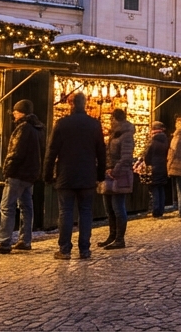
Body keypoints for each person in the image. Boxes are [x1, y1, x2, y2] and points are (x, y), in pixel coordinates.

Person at [43, 91, 107, 260]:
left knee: (65, 212)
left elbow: (51, 152)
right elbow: (101, 152)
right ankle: (84, 249)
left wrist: (48, 174)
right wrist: (100, 175)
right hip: (87, 176)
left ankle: (64, 249)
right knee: (86, 212)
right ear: (85, 104)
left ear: (71, 104)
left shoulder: (62, 124)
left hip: (66, 175)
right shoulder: (94, 124)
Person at [0, 100, 44, 254]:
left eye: (16, 111)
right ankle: (25, 239)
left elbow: (15, 153)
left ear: (21, 112)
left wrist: (7, 170)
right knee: (26, 207)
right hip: (30, 174)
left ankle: (4, 242)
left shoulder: (23, 128)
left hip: (18, 174)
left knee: (7, 207)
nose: (14, 114)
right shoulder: (37, 128)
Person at [99, 108, 135, 248]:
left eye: (111, 118)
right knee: (109, 207)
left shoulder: (126, 135)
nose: (110, 121)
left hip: (120, 174)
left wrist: (115, 170)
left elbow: (126, 157)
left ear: (116, 119)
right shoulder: (114, 134)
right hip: (109, 173)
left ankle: (120, 239)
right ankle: (112, 235)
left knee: (118, 207)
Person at [144, 120, 170, 218]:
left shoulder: (153, 141)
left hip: (154, 167)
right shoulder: (165, 139)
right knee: (161, 188)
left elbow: (147, 155)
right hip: (163, 167)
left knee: (155, 188)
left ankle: (156, 211)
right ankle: (161, 209)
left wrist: (147, 163)